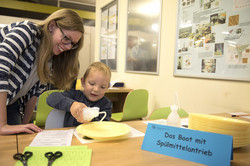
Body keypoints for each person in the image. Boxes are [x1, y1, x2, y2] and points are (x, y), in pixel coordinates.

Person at [0, 9, 84, 135]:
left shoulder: (51, 58)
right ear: (52, 26)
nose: (68, 47)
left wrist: (25, 125)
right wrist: (2, 125)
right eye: (66, 38)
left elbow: (35, 93)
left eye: (73, 44)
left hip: (11, 103)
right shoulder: (27, 31)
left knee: (17, 143)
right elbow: (1, 69)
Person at [46, 62, 112, 127]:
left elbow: (104, 125)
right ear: (83, 82)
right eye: (92, 84)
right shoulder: (75, 95)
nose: (96, 89)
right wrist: (71, 105)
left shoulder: (106, 103)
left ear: (107, 88)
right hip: (71, 134)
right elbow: (51, 98)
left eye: (102, 87)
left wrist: (90, 119)